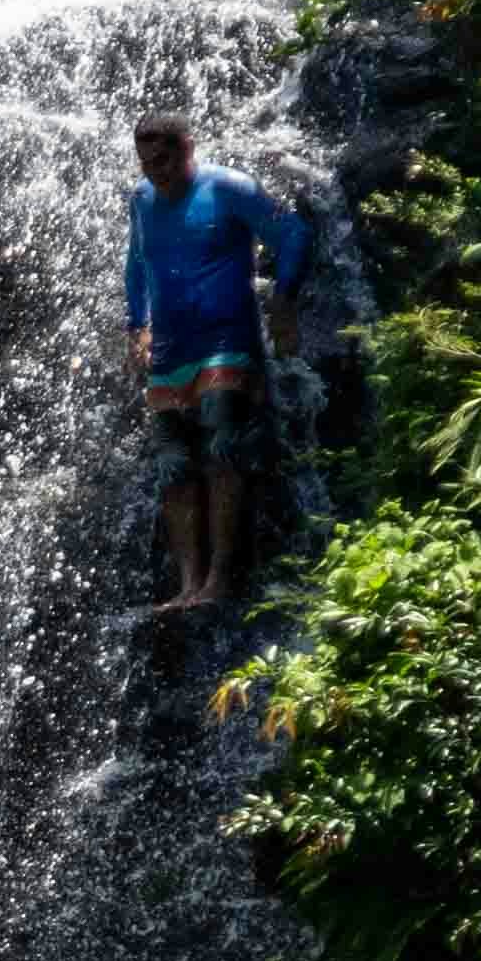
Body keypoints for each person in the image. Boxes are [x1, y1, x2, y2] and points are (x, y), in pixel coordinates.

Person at [122, 96, 309, 611]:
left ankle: (219, 578)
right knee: (173, 465)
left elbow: (293, 231)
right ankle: (187, 583)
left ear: (189, 147)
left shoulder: (229, 188)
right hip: (171, 350)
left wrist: (285, 298)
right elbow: (136, 264)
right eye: (147, 163)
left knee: (223, 448)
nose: (156, 173)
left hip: (228, 341)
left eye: (164, 160)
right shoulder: (141, 199)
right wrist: (136, 325)